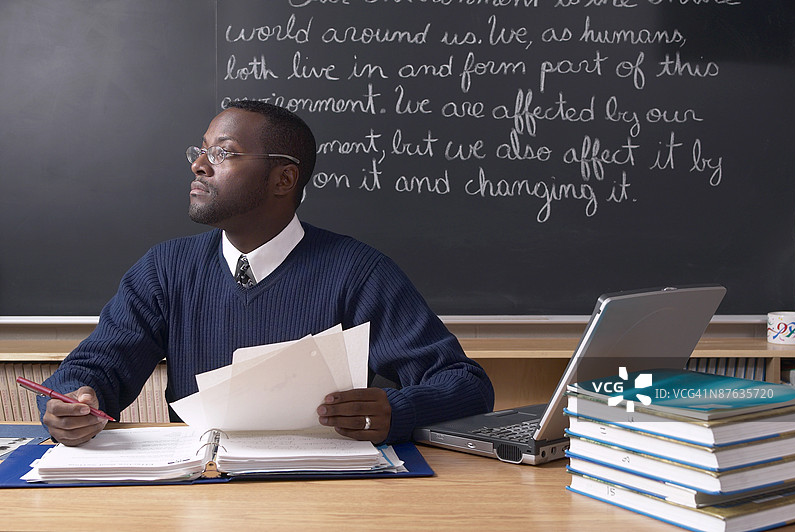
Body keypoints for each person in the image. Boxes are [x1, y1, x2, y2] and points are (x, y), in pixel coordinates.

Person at [40, 100, 494, 446]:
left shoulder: (359, 273)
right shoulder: (165, 269)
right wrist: (75, 401)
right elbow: (95, 366)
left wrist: (398, 409)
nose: (199, 164)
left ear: (283, 180)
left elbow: (466, 386)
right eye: (201, 150)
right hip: (200, 486)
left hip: (324, 491)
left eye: (223, 153)